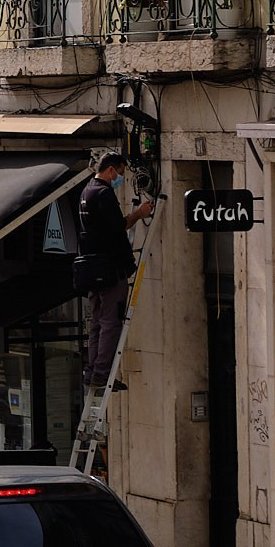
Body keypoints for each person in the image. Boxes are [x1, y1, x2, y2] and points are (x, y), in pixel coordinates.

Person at [77, 152, 155, 393]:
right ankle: (101, 373)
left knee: (98, 322)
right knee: (111, 321)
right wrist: (139, 213)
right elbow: (119, 226)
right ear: (111, 170)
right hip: (109, 268)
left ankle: (93, 371)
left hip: (92, 269)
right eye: (120, 174)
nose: (120, 178)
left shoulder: (86, 191)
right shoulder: (102, 193)